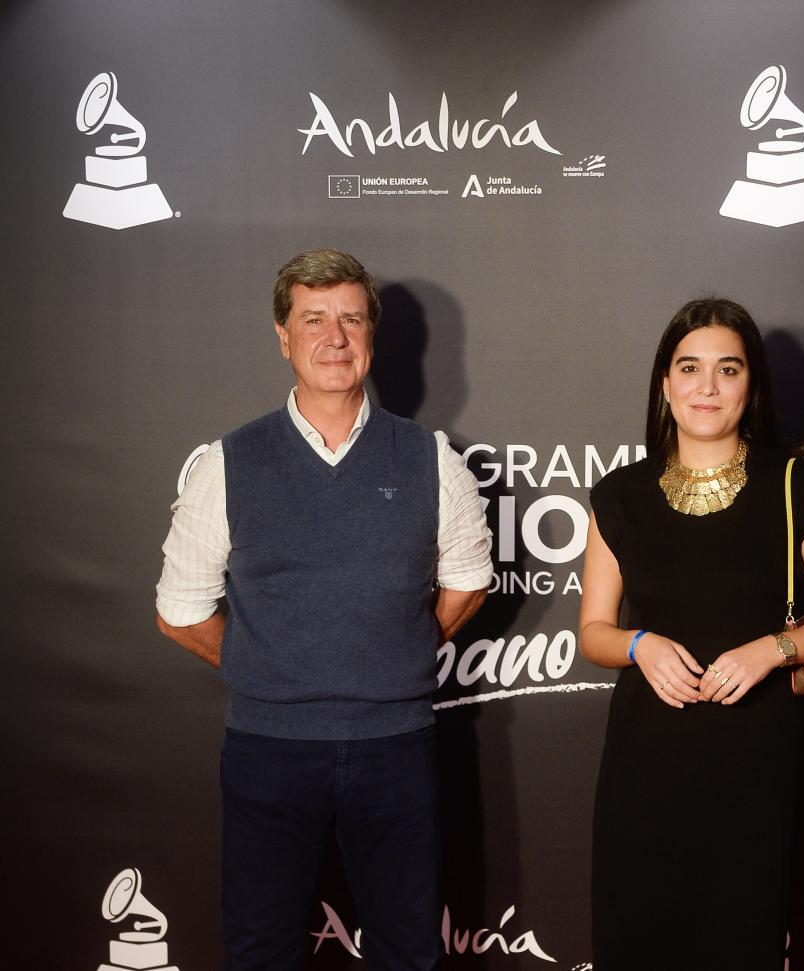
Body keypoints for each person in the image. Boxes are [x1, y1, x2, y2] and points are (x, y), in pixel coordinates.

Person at [155, 248, 492, 971]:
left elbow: (468, 578)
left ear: (372, 334)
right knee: (259, 949)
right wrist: (267, 666)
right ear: (283, 336)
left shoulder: (429, 457)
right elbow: (179, 611)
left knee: (409, 951)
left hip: (396, 747)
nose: (334, 337)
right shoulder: (228, 462)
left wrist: (393, 650)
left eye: (350, 318)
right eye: (313, 319)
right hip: (267, 750)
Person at [578, 298, 804, 970]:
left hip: (754, 765)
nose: (707, 386)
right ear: (665, 383)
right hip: (643, 765)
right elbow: (592, 631)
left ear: (752, 385)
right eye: (689, 367)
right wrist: (637, 643)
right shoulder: (619, 495)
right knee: (635, 940)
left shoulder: (798, 484)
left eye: (727, 368)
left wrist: (772, 647)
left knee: (739, 940)